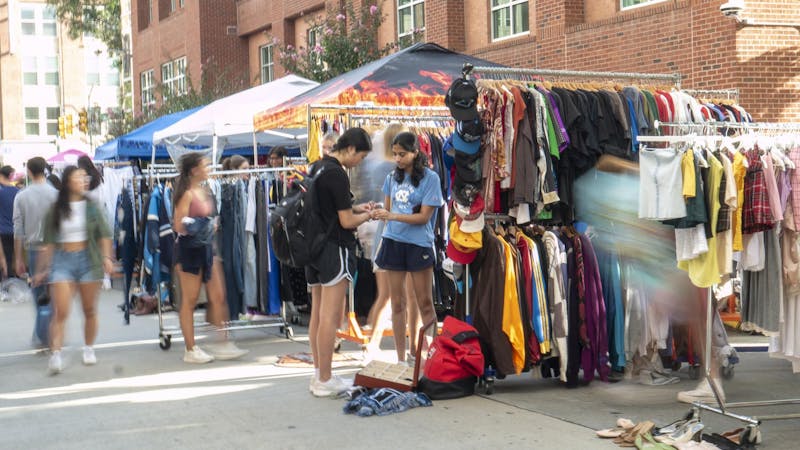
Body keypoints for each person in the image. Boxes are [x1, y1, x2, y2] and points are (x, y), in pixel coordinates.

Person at [306, 127, 374, 397]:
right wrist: (369, 216)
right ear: (350, 150)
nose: (360, 163)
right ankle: (325, 378)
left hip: (314, 248)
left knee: (318, 314)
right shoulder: (337, 174)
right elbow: (345, 221)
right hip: (334, 249)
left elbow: (331, 209)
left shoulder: (318, 168)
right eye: (361, 157)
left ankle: (319, 374)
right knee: (330, 317)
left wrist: (359, 208)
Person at [371, 132, 444, 365]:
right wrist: (378, 211)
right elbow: (388, 208)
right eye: (395, 154)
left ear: (415, 152)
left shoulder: (430, 178)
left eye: (402, 154)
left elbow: (424, 217)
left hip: (419, 245)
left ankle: (429, 355)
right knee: (397, 303)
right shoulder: (392, 177)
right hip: (393, 241)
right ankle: (401, 359)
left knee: (424, 302)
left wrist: (391, 215)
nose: (398, 159)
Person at [34, 166, 113, 374]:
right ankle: (56, 354)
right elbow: (49, 241)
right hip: (62, 261)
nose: (84, 180)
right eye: (78, 177)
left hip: (89, 260)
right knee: (61, 311)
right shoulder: (56, 208)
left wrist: (106, 258)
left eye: (84, 177)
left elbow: (105, 234)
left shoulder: (93, 206)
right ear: (68, 181)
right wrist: (42, 269)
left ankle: (88, 348)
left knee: (89, 309)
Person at [173, 152, 248, 364]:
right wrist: (199, 225)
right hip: (189, 251)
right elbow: (178, 225)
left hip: (207, 249)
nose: (208, 168)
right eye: (204, 165)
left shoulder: (204, 190)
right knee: (189, 300)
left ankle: (222, 342)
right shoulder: (187, 193)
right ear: (194, 170)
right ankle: (191, 348)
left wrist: (208, 226)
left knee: (218, 295)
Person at [13, 157, 58, 347]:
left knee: (38, 294)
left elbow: (18, 231)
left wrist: (17, 258)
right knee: (53, 294)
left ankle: (42, 335)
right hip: (55, 249)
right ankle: (47, 334)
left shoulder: (22, 196)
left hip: (32, 250)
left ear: (29, 172)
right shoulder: (56, 194)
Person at [0, 165, 19, 278]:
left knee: (5, 262)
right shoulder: (17, 192)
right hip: (16, 232)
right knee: (13, 261)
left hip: (2, 231)